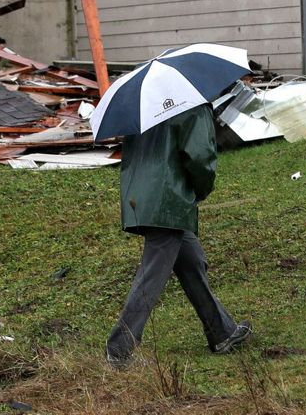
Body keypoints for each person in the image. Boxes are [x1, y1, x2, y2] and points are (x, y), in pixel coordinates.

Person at [105, 103, 251, 367]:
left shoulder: (143, 107)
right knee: (151, 277)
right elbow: (200, 157)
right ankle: (119, 350)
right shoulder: (192, 107)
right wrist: (201, 191)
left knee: (192, 263)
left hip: (142, 197)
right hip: (168, 201)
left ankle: (222, 332)